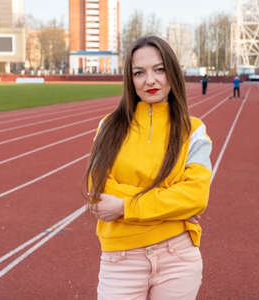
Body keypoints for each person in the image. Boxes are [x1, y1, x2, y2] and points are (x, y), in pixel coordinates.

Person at [84, 35, 212, 300]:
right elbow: (97, 190)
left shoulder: (195, 131)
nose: (150, 80)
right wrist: (171, 206)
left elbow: (195, 197)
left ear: (172, 73)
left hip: (178, 258)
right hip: (121, 260)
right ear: (130, 80)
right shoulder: (108, 128)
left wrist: (123, 207)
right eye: (139, 73)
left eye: (159, 69)